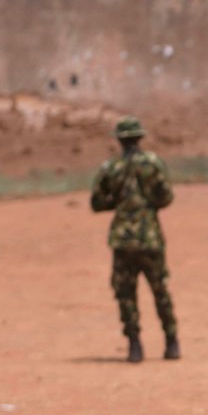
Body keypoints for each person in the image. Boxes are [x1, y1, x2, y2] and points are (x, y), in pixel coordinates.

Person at [90, 116, 179, 363]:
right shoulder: (153, 163)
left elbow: (97, 202)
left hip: (122, 240)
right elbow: (167, 197)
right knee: (160, 289)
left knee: (126, 293)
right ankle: (171, 341)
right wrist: (147, 204)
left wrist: (118, 203)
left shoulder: (111, 167)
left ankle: (134, 345)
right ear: (140, 137)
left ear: (119, 140)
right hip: (150, 237)